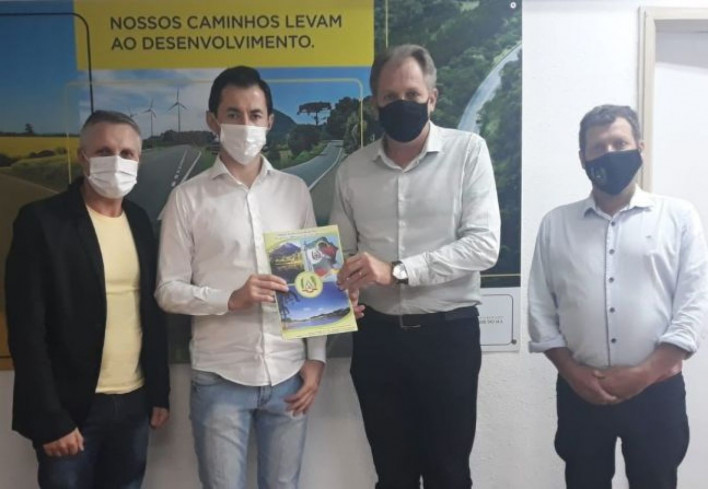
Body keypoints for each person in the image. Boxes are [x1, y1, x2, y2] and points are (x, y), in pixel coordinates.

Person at [331, 44, 501, 489]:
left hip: (448, 339)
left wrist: (398, 270)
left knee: (449, 474)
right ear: (375, 102)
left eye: (412, 93)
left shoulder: (468, 152)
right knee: (392, 476)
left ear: (433, 97)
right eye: (390, 96)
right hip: (377, 341)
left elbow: (484, 246)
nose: (401, 103)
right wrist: (345, 289)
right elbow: (341, 255)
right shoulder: (352, 170)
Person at [156, 66, 328, 489]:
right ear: (213, 121)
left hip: (288, 373)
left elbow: (314, 282)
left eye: (255, 114)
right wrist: (230, 299)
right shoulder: (187, 198)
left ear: (269, 121)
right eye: (233, 114)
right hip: (219, 380)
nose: (245, 125)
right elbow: (167, 291)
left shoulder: (294, 191)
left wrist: (316, 358)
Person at [528, 104, 708, 489]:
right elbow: (541, 310)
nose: (609, 153)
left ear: (640, 147)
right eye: (598, 147)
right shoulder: (556, 224)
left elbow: (693, 306)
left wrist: (644, 374)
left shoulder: (679, 218)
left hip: (657, 392)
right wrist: (573, 374)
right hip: (581, 391)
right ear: (583, 158)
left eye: (619, 143)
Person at [6, 110, 170, 489]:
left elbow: (150, 311)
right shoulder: (42, 222)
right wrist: (51, 419)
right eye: (104, 151)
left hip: (133, 402)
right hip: (71, 409)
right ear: (83, 157)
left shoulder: (140, 221)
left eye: (127, 153)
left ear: (138, 160)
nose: (117, 161)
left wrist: (159, 392)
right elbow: (27, 331)